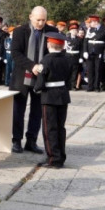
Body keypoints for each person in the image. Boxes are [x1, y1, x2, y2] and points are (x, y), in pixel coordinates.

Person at [9, 6, 57, 154]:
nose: (41, 23)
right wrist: (32, 66)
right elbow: (15, 53)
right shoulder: (19, 31)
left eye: (44, 20)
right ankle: (16, 140)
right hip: (21, 77)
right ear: (31, 17)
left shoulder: (52, 31)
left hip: (41, 77)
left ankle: (32, 141)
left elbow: (54, 53)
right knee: (18, 110)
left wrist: (43, 67)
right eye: (38, 20)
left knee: (37, 111)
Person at [34, 31, 71, 168]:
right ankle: (60, 156)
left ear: (48, 45)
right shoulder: (67, 58)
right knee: (60, 128)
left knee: (49, 129)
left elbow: (41, 81)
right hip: (63, 94)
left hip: (49, 96)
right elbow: (69, 78)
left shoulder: (46, 60)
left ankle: (53, 159)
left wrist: (36, 89)